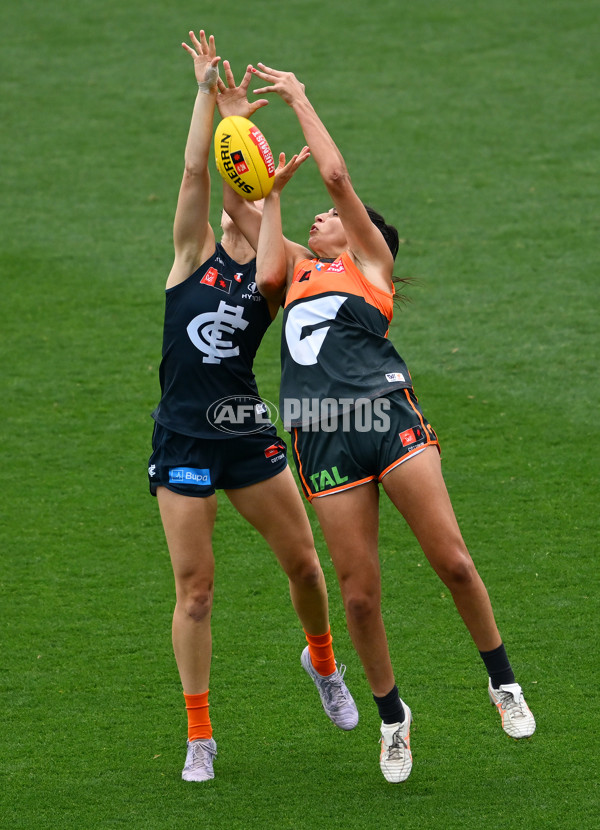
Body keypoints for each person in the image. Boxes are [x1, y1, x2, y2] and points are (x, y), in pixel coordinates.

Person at [238, 62, 536, 784]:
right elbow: (247, 232)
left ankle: (503, 683)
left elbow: (337, 177)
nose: (322, 215)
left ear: (368, 237)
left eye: (329, 218)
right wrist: (235, 134)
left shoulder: (367, 265)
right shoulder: (299, 270)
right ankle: (393, 720)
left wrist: (301, 97)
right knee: (360, 594)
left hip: (386, 413)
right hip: (320, 431)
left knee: (454, 560)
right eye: (317, 219)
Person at [148, 32, 357, 784]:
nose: (231, 209)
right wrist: (211, 98)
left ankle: (323, 662)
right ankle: (199, 734)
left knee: (304, 564)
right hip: (181, 439)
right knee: (195, 592)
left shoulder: (278, 270)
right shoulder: (188, 256)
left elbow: (264, 247)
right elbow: (197, 169)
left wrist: (270, 197)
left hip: (243, 432)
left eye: (247, 205)